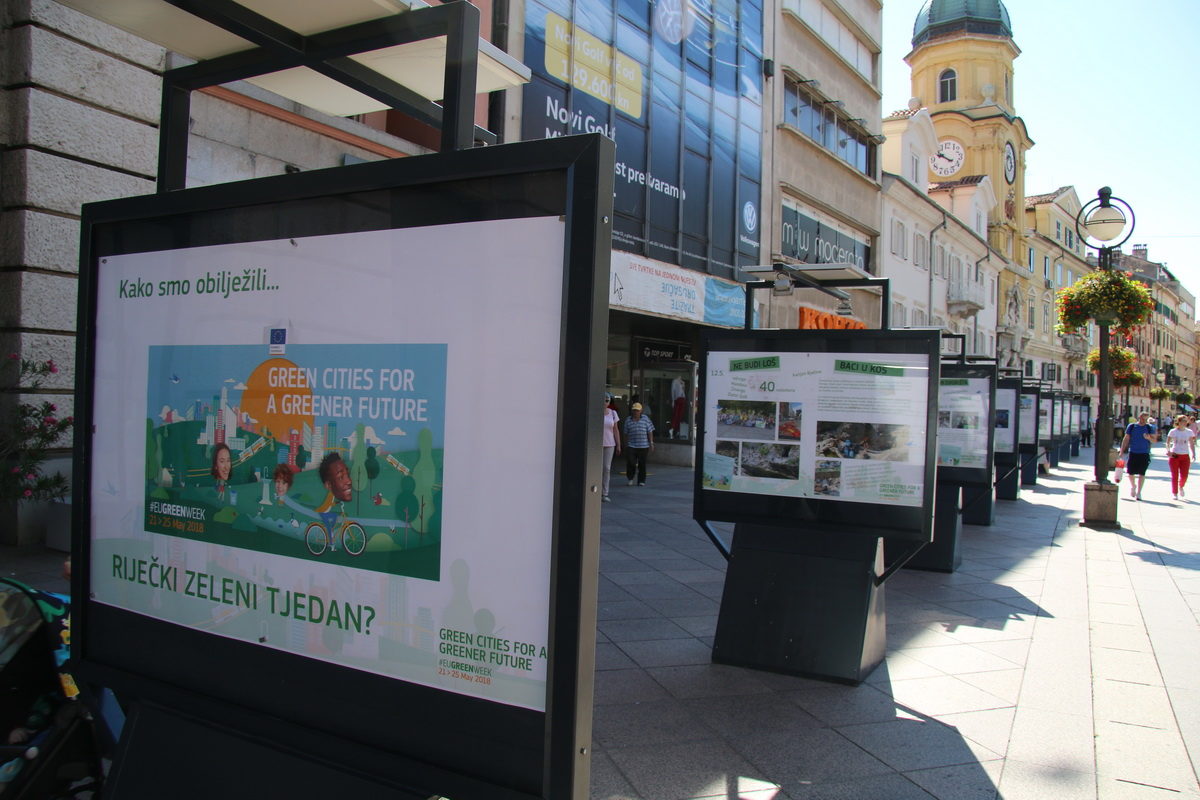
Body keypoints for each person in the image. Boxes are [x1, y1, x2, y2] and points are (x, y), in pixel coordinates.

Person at [314, 452, 353, 548]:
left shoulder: (332, 496)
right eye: (340, 477)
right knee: (330, 528)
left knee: (335, 519)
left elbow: (332, 503)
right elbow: (328, 504)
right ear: (328, 485)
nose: (349, 481)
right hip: (324, 512)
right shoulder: (330, 496)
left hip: (327, 511)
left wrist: (338, 503)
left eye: (347, 474)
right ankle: (331, 544)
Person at [1118, 412, 1158, 501]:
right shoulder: (1132, 426)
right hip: (1133, 452)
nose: (1145, 420)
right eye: (1143, 418)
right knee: (1130, 472)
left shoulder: (1150, 427)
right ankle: (1133, 486)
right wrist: (1121, 451)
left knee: (1142, 473)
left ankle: (1139, 492)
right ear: (1139, 417)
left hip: (1144, 453)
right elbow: (1126, 438)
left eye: (1146, 419)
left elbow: (1154, 440)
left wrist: (1148, 438)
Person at [1165, 414, 1197, 500]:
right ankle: (1175, 493)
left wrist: (1193, 453)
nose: (1184, 422)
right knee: (1174, 475)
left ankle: (1181, 486)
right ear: (1178, 422)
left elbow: (1191, 443)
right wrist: (1168, 451)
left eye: (1186, 421)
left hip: (1185, 456)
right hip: (1175, 455)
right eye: (1183, 421)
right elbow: (1167, 442)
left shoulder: (1189, 432)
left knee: (1184, 475)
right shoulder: (1173, 431)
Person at [623, 402, 655, 486]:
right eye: (634, 410)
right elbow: (625, 433)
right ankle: (630, 478)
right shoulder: (628, 420)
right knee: (631, 462)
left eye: (637, 410)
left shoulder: (645, 419)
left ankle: (641, 480)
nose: (635, 412)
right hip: (631, 445)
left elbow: (650, 431)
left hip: (643, 445)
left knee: (642, 463)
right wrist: (625, 444)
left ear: (641, 411)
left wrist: (651, 442)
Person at [601, 394, 621, 502]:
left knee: (607, 468)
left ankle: (605, 493)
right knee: (597, 468)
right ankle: (594, 490)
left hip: (610, 444)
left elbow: (616, 430)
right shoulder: (595, 412)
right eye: (603, 400)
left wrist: (619, 444)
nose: (605, 402)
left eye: (607, 400)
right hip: (597, 445)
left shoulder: (613, 413)